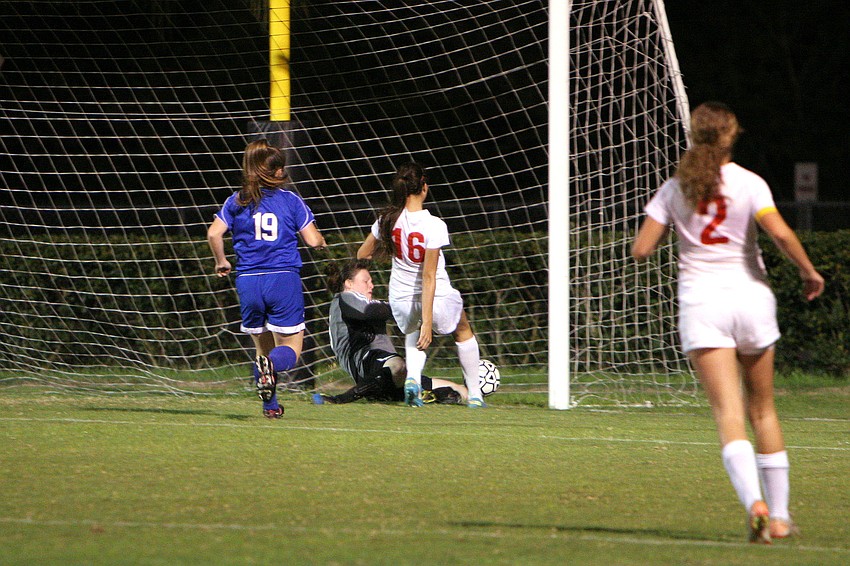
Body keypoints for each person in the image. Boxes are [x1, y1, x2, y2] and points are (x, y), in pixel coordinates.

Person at [631, 102, 824, 543]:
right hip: (751, 298)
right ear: (731, 135)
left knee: (729, 414)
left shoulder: (675, 187)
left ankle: (753, 502)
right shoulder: (750, 183)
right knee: (765, 411)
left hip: (703, 304)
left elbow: (642, 249)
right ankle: (778, 516)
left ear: (695, 135)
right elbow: (777, 232)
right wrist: (808, 270)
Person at [207, 139, 327, 418]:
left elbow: (214, 234)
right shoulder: (289, 200)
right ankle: (270, 369)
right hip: (282, 278)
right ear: (275, 172)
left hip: (248, 281)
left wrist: (221, 261)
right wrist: (321, 241)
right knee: (291, 349)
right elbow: (311, 239)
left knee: (263, 350)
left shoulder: (236, 201)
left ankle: (270, 407)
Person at [357, 162, 486, 408]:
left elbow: (362, 254)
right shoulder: (433, 225)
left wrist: (390, 253)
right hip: (433, 297)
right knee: (462, 328)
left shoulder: (386, 220)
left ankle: (413, 380)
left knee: (412, 330)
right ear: (423, 187)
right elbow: (428, 277)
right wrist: (429, 322)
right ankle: (476, 394)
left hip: (401, 298)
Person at [314, 258, 467, 405]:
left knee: (460, 391)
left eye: (372, 281)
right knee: (398, 365)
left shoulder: (357, 300)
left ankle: (448, 394)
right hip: (365, 361)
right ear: (349, 283)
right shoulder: (345, 297)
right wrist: (406, 307)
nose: (371, 285)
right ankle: (342, 399)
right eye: (366, 281)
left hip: (383, 375)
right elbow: (369, 311)